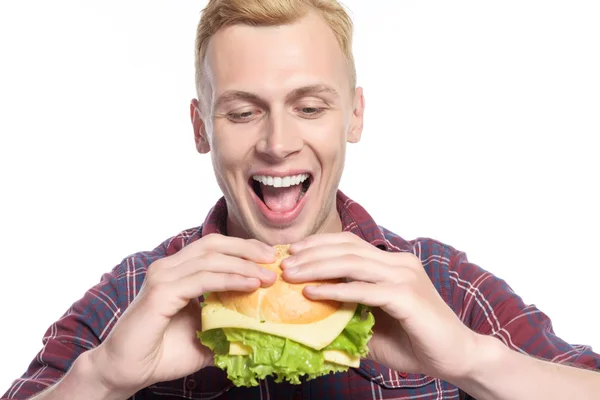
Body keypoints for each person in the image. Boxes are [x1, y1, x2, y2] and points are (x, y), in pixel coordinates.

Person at [3, 0, 600, 399]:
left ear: (355, 115)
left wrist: (475, 360)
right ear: (200, 127)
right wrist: (103, 377)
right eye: (242, 112)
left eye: (310, 108)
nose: (279, 144)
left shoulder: (440, 284)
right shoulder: (137, 292)